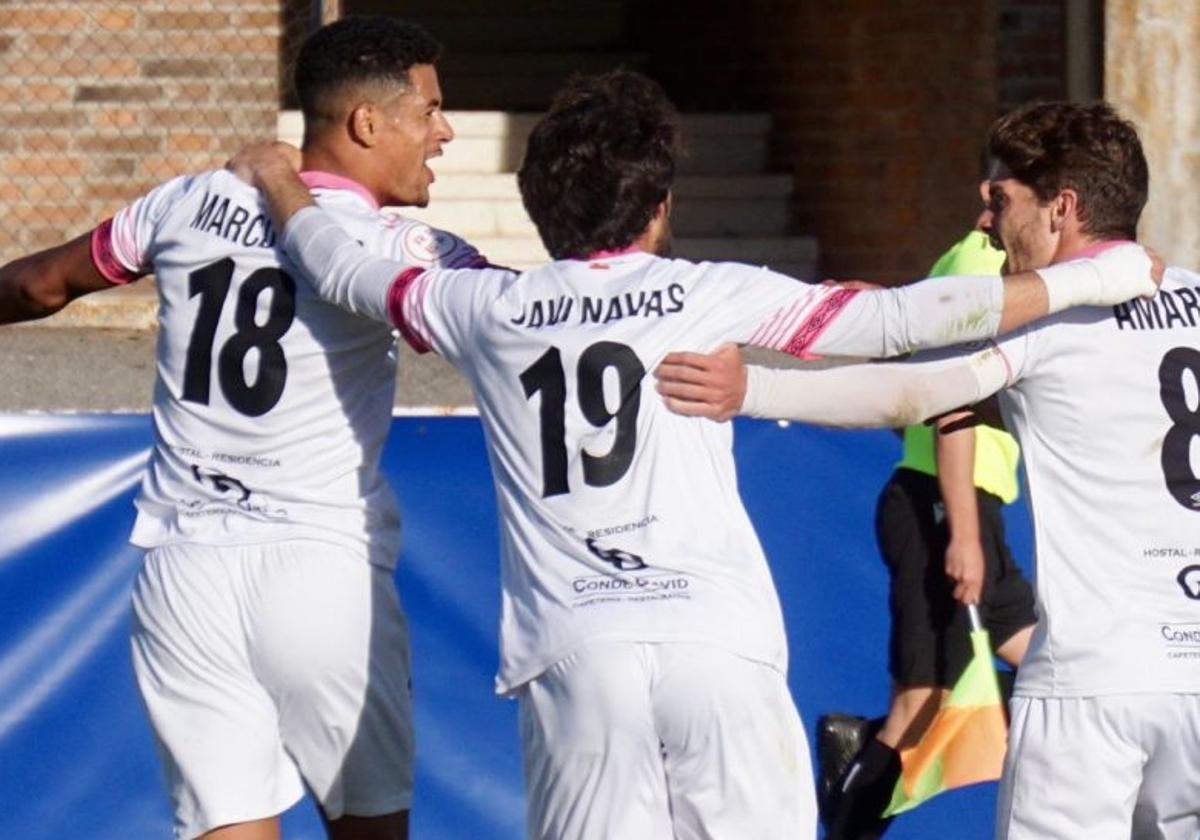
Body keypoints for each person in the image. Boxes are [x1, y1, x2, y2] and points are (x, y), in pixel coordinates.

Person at [230, 74, 1159, 840]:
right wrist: (1095, 274)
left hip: (576, 654)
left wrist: (283, 186)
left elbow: (345, 269)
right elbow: (895, 322)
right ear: (661, 207)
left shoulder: (486, 309)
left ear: (539, 202)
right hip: (719, 644)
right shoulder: (709, 294)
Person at [656, 101, 1199, 839]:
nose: (987, 223)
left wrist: (754, 389)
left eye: (1003, 201)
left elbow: (912, 391)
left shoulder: (1045, 317)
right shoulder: (1194, 292)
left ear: (1062, 210)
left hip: (1093, 686)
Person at [0, 17, 484, 840]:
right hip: (322, 568)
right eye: (430, 111)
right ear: (367, 124)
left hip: (186, 565)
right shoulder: (409, 246)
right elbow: (529, 326)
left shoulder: (190, 199)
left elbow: (43, 286)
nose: (444, 131)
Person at [818, 227, 1037, 840]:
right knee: (922, 705)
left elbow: (919, 344)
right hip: (939, 502)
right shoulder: (980, 261)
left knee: (1056, 662)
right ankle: (856, 783)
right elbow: (951, 402)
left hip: (970, 502)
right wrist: (960, 531)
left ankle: (865, 743)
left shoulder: (990, 266)